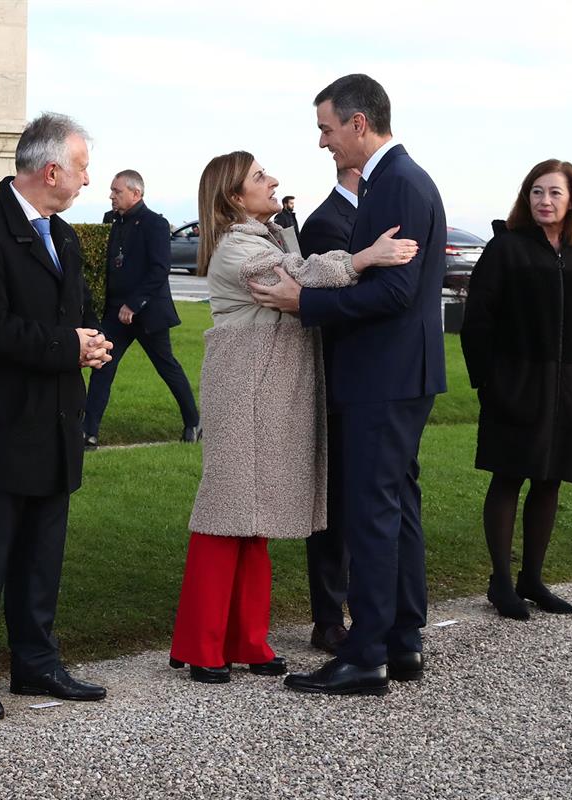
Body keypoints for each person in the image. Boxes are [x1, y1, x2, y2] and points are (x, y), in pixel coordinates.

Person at [168, 152, 416, 685]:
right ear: (234, 197)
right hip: (246, 390)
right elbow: (300, 278)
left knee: (252, 519)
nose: (273, 179)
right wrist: (364, 258)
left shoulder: (264, 237)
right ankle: (201, 645)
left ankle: (247, 640)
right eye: (259, 176)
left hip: (267, 388)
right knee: (225, 512)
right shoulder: (240, 248)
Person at [253, 73, 448, 696]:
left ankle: (365, 655)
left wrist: (301, 302)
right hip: (402, 373)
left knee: (370, 512)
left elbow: (395, 291)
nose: (323, 143)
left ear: (359, 124)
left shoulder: (394, 184)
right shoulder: (401, 180)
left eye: (327, 129)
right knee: (398, 507)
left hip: (381, 375)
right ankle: (403, 640)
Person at [0, 112, 113, 720]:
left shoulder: (63, 234)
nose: (87, 180)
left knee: (43, 552)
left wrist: (88, 344)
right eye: (83, 168)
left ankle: (37, 663)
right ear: (50, 170)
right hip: (0, 426)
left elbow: (73, 312)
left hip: (55, 420)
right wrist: (69, 346)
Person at [461, 160, 572, 619]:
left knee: (550, 481)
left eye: (555, 193)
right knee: (508, 478)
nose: (545, 201)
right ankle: (501, 582)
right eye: (537, 192)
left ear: (571, 199)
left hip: (571, 393)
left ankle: (533, 579)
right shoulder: (506, 249)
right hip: (516, 387)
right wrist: (489, 381)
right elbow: (477, 321)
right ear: (527, 197)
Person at [82, 169, 200, 449]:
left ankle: (194, 421)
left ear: (136, 193)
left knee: (167, 367)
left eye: (117, 191)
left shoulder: (155, 224)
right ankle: (88, 433)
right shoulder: (112, 221)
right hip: (115, 313)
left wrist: (134, 304)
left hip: (147, 313)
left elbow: (160, 269)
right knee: (103, 366)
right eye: (111, 191)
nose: (111, 196)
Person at [296, 166, 361, 654]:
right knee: (333, 505)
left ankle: (363, 608)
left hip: (370, 382)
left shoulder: (373, 215)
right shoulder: (325, 222)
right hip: (338, 380)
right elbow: (328, 305)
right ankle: (327, 617)